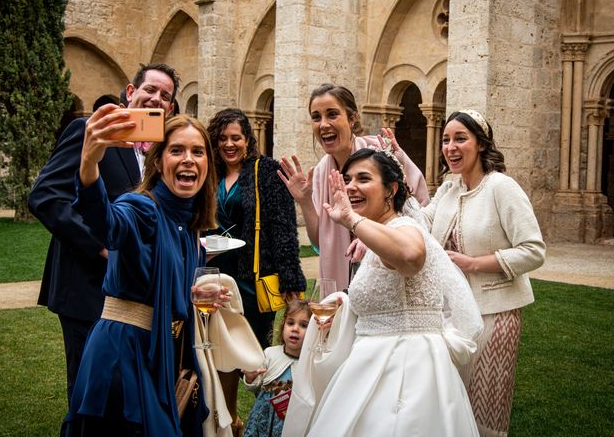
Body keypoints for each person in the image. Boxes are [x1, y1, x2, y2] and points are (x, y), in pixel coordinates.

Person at [283, 148, 483, 437]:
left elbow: (411, 255)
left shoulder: (405, 226)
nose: (351, 186)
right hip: (372, 361)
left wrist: (352, 220)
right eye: (348, 179)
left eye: (363, 179)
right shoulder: (380, 233)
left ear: (391, 190)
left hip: (405, 370)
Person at [28, 63, 179, 407]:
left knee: (122, 391)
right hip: (87, 286)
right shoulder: (92, 130)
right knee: (89, 391)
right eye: (150, 90)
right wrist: (101, 247)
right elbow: (45, 196)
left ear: (169, 108)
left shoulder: (156, 153)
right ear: (130, 93)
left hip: (134, 291)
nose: (156, 98)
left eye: (165, 96)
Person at [64, 112, 220, 436]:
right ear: (158, 162)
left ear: (207, 165)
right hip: (123, 357)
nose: (187, 159)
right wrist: (89, 162)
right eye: (176, 150)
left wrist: (189, 295)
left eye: (197, 151)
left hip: (160, 355)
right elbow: (106, 224)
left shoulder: (188, 224)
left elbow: (155, 280)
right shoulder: (142, 208)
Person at [420, 110, 546, 437]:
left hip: (496, 314)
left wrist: (471, 263)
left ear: (480, 143)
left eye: (460, 138)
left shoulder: (502, 187)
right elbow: (419, 223)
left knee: (486, 407)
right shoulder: (449, 188)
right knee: (453, 401)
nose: (450, 146)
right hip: (451, 315)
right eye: (446, 140)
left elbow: (533, 250)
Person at [206, 108, 306, 435]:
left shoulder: (265, 172)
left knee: (254, 356)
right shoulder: (210, 172)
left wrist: (291, 277)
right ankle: (230, 419)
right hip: (214, 273)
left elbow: (282, 227)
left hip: (252, 277)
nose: (229, 144)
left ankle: (266, 422)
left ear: (248, 139)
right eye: (222, 138)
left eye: (236, 137)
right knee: (218, 350)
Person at [278, 83, 429, 292]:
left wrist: (373, 236)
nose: (323, 124)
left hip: (388, 270)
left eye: (332, 114)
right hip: (344, 275)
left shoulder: (379, 153)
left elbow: (419, 209)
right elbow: (320, 241)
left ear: (352, 118)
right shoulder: (322, 172)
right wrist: (305, 200)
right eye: (316, 117)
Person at [242, 299, 311, 437]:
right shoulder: (270, 354)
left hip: (293, 423)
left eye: (304, 325)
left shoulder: (311, 363)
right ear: (283, 325)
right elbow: (255, 387)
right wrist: (250, 378)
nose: (295, 329)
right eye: (290, 323)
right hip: (263, 419)